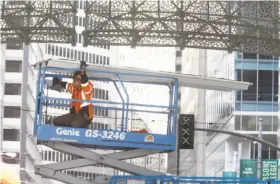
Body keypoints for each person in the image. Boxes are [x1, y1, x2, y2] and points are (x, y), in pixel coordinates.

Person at [50, 61, 94, 128]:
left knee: (74, 125)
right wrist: (59, 82)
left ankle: (84, 126)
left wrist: (82, 71)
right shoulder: (74, 88)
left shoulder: (87, 89)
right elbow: (67, 85)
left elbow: (85, 82)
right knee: (56, 121)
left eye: (74, 81)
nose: (73, 83)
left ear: (80, 80)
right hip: (74, 114)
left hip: (84, 117)